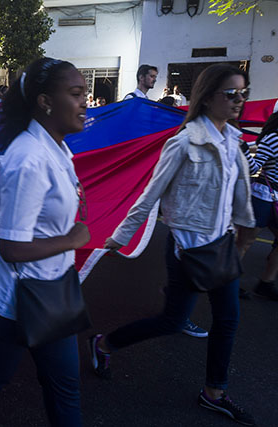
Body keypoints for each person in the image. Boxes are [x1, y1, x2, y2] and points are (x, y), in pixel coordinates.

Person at [93, 64, 255, 426]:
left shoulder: (234, 140)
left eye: (243, 93)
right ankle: (104, 344)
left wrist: (246, 229)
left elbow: (239, 191)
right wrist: (120, 237)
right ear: (208, 96)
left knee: (228, 321)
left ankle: (214, 392)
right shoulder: (183, 142)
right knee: (172, 321)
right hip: (187, 249)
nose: (238, 101)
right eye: (231, 94)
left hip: (221, 245)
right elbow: (150, 195)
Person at [0, 57, 90, 426]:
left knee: (64, 386)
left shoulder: (58, 149)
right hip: (4, 298)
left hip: (49, 291)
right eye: (76, 94)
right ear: (45, 101)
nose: (85, 102)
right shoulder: (29, 158)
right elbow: (10, 249)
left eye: (85, 94)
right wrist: (71, 240)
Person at [237, 111, 278, 300]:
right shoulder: (273, 138)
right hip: (263, 195)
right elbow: (254, 167)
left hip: (274, 198)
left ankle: (266, 283)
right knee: (245, 242)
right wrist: (244, 148)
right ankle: (228, 282)